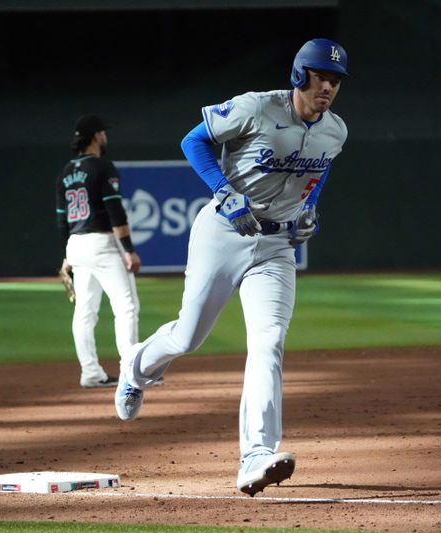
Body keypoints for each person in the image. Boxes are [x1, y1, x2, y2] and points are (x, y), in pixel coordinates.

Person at [114, 38, 349, 496]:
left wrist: (311, 206)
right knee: (188, 335)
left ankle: (256, 454)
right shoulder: (255, 109)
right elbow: (194, 140)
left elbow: (319, 171)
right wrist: (224, 190)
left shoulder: (335, 131)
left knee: (269, 341)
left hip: (278, 245)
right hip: (223, 232)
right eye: (321, 77)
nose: (328, 87)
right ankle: (136, 367)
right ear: (300, 75)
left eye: (336, 81)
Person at [55, 114, 141, 389]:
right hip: (101, 243)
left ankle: (91, 372)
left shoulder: (65, 172)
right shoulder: (103, 167)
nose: (105, 136)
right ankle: (130, 371)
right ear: (95, 136)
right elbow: (115, 211)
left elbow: (61, 220)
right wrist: (128, 250)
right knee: (126, 307)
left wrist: (67, 253)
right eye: (103, 132)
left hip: (76, 245)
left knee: (85, 312)